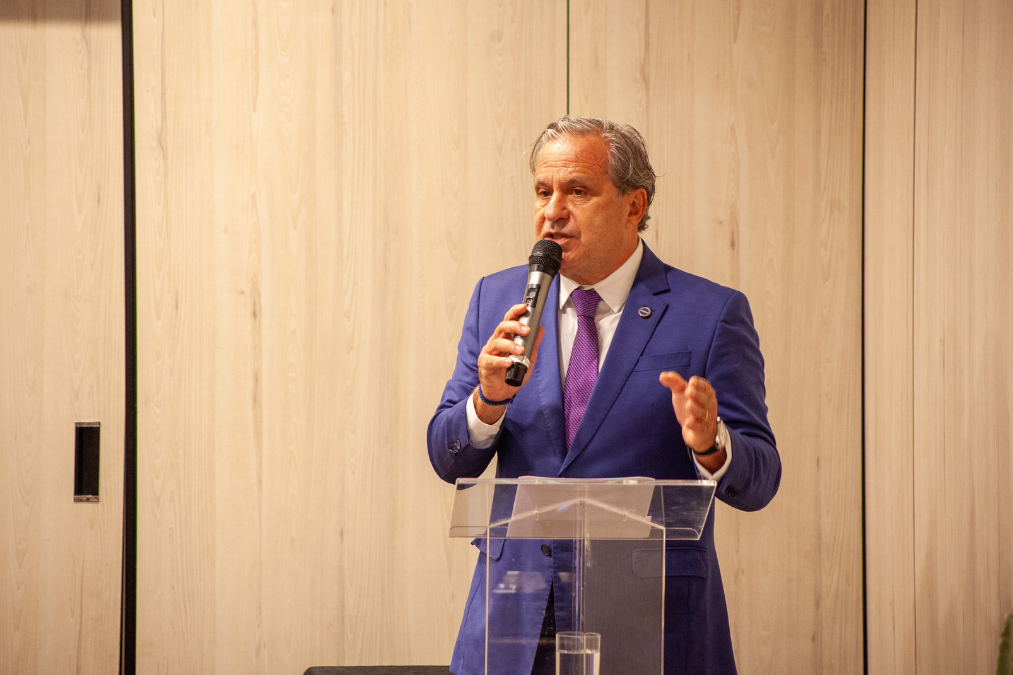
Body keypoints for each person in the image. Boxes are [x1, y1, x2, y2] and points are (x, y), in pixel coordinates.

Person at [428, 116, 780, 675]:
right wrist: (487, 403)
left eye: (577, 191)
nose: (552, 211)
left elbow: (759, 480)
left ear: (634, 206)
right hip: (513, 626)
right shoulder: (496, 298)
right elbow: (447, 456)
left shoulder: (710, 313)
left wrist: (711, 443)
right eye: (542, 191)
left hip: (653, 628)